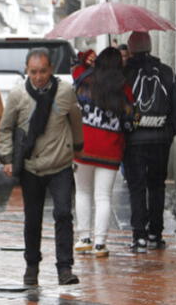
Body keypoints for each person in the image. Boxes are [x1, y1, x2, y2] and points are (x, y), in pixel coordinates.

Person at [0, 47, 83, 286]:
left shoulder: (66, 92)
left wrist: (77, 147)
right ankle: (32, 266)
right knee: (32, 218)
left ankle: (65, 267)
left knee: (64, 214)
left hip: (60, 165)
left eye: (43, 71)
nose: (38, 77)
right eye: (33, 72)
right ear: (26, 70)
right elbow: (5, 128)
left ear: (51, 70)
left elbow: (75, 121)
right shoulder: (17, 95)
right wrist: (6, 157)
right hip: (31, 167)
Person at [123, 31, 176, 253]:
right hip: (161, 139)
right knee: (157, 186)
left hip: (133, 141)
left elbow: (120, 105)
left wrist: (126, 131)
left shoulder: (125, 73)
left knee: (136, 187)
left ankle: (138, 236)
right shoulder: (167, 72)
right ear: (150, 46)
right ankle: (155, 234)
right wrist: (169, 132)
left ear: (130, 49)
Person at [72, 47, 133, 258]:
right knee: (103, 196)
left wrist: (84, 60)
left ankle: (83, 239)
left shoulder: (85, 79)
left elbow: (74, 80)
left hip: (83, 147)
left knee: (82, 192)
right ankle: (100, 244)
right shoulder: (123, 87)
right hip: (110, 149)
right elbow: (130, 117)